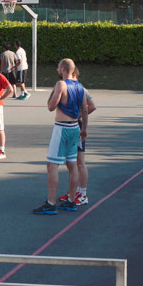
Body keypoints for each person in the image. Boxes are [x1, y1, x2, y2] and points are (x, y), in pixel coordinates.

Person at [33, 58, 88, 215]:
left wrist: (54, 94)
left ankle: (51, 203)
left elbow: (51, 106)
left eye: (58, 66)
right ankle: (71, 200)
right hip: (75, 128)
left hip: (62, 128)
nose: (57, 68)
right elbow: (85, 109)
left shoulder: (61, 84)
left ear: (63, 69)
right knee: (72, 164)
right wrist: (84, 128)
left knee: (52, 165)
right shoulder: (80, 86)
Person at [60, 66, 97, 206]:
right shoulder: (69, 87)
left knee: (80, 162)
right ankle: (73, 192)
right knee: (72, 162)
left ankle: (83, 194)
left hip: (77, 126)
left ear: (73, 74)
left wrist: (77, 116)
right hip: (71, 126)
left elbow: (92, 106)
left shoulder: (80, 88)